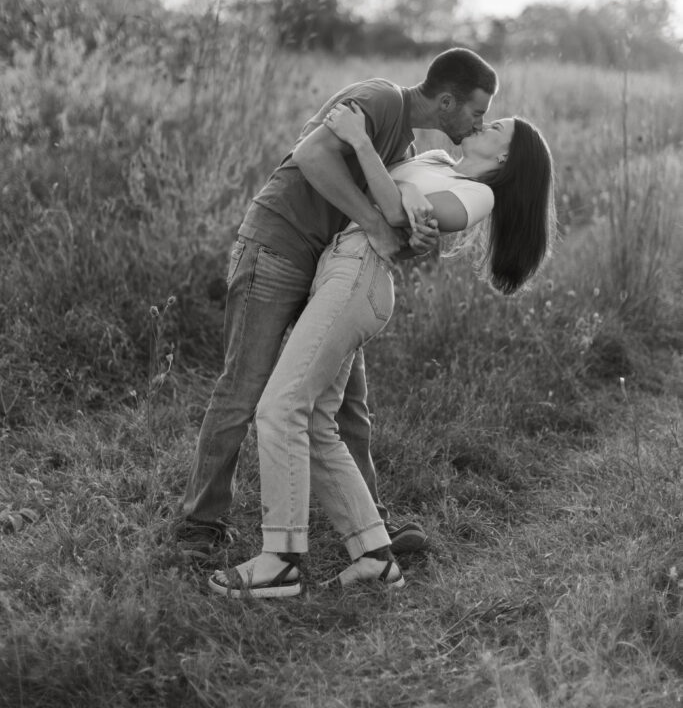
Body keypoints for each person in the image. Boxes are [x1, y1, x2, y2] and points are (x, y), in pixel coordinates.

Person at [209, 103, 555, 598]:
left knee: (280, 407)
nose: (483, 122)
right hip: (335, 266)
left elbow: (395, 212)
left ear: (506, 158)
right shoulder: (437, 161)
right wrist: (404, 193)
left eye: (497, 126)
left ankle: (279, 561)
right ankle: (374, 557)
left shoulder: (478, 195)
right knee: (315, 422)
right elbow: (391, 199)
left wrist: (363, 144)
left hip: (361, 274)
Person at [176, 48, 499, 560]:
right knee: (244, 387)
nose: (479, 124)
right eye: (477, 112)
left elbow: (387, 221)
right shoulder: (380, 99)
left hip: (331, 268)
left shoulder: (407, 145)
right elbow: (312, 156)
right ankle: (200, 522)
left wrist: (413, 236)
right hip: (278, 246)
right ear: (446, 102)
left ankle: (373, 526)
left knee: (348, 402)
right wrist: (376, 223)